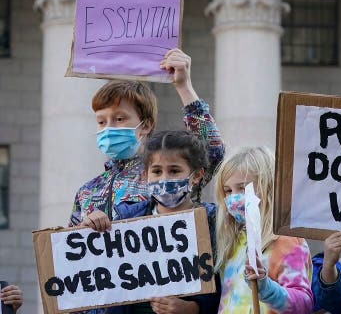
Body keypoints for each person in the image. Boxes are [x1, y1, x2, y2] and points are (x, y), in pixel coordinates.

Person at [68, 49, 224, 230]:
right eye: (102, 121)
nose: (109, 128)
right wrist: (85, 226)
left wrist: (184, 86)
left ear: (146, 125)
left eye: (119, 119)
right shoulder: (86, 192)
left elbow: (212, 151)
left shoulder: (166, 175)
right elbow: (69, 248)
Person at [85, 130, 220, 314]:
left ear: (196, 176)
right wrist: (89, 232)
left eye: (174, 170)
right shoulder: (127, 221)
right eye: (157, 171)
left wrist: (193, 308)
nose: (164, 179)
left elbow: (225, 286)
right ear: (145, 175)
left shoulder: (212, 223)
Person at [213, 147, 313, 314]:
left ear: (269, 189)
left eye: (243, 188)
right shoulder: (232, 241)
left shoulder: (287, 241)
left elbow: (303, 304)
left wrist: (266, 288)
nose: (233, 198)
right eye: (228, 191)